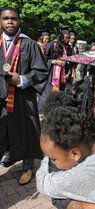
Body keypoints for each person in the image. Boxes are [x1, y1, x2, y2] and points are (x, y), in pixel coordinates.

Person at [0, 6, 49, 185]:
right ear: (1, 21)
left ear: (19, 21)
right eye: (6, 18)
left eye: (14, 18)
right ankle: (9, 156)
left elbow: (41, 71)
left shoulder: (29, 44)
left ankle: (28, 167)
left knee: (27, 129)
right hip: (1, 96)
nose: (10, 21)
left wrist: (22, 79)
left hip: (23, 97)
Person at [37, 28, 71, 113]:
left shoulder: (67, 47)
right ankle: (43, 110)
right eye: (66, 38)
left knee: (62, 90)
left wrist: (68, 70)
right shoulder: (51, 45)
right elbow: (43, 60)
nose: (67, 40)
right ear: (61, 37)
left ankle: (57, 109)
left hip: (62, 74)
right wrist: (56, 61)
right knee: (48, 91)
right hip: (51, 73)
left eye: (68, 38)